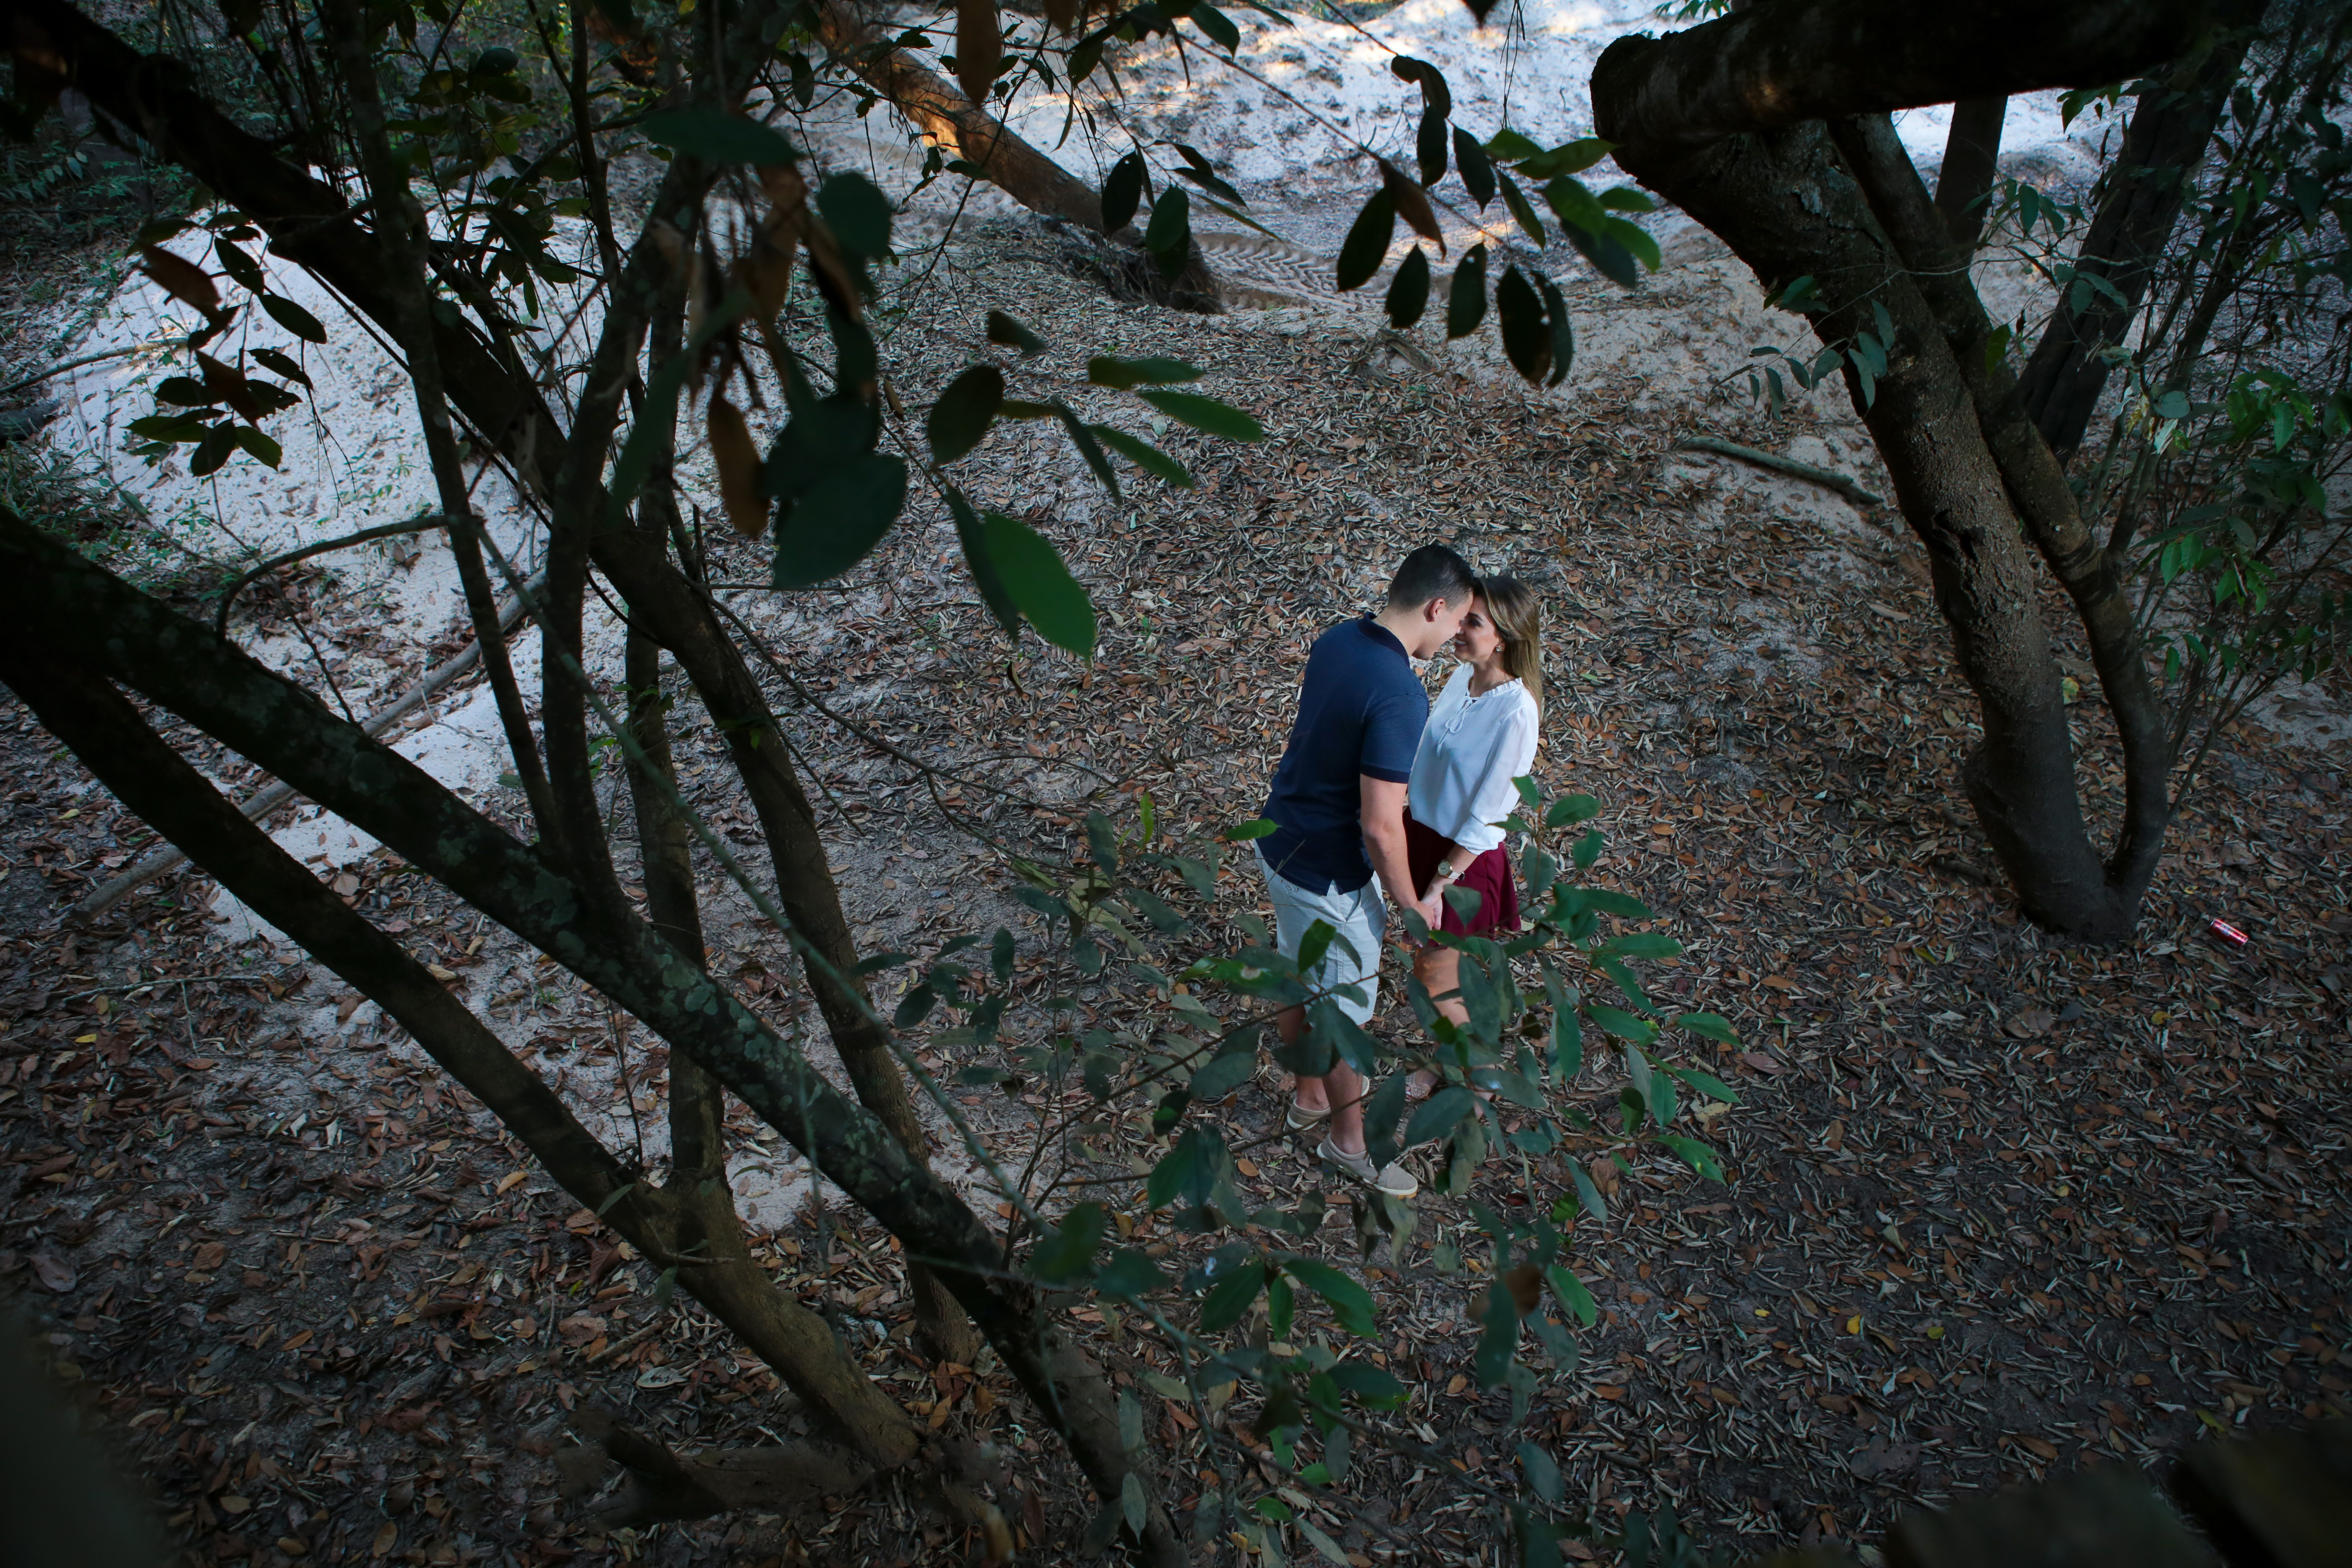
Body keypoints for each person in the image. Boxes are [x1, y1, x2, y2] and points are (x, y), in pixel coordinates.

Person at [1255, 544, 1479, 1198]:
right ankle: (1348, 1143)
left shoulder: (1337, 641)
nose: (1457, 635)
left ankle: (1308, 1098)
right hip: (1330, 871)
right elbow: (1381, 826)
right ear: (1436, 607)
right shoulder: (1401, 693)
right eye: (1457, 621)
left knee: (1302, 972)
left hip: (1279, 840)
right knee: (1346, 1011)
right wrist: (1411, 904)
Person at [1402, 573, 1544, 1102]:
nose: (1458, 629)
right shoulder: (1462, 679)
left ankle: (1478, 1076)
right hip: (1420, 836)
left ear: (1505, 636)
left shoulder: (1517, 711)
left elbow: (1491, 814)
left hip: (1461, 862)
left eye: (1473, 623)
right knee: (1430, 971)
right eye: (1462, 618)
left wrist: (1440, 885)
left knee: (1435, 974)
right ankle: (1449, 1062)